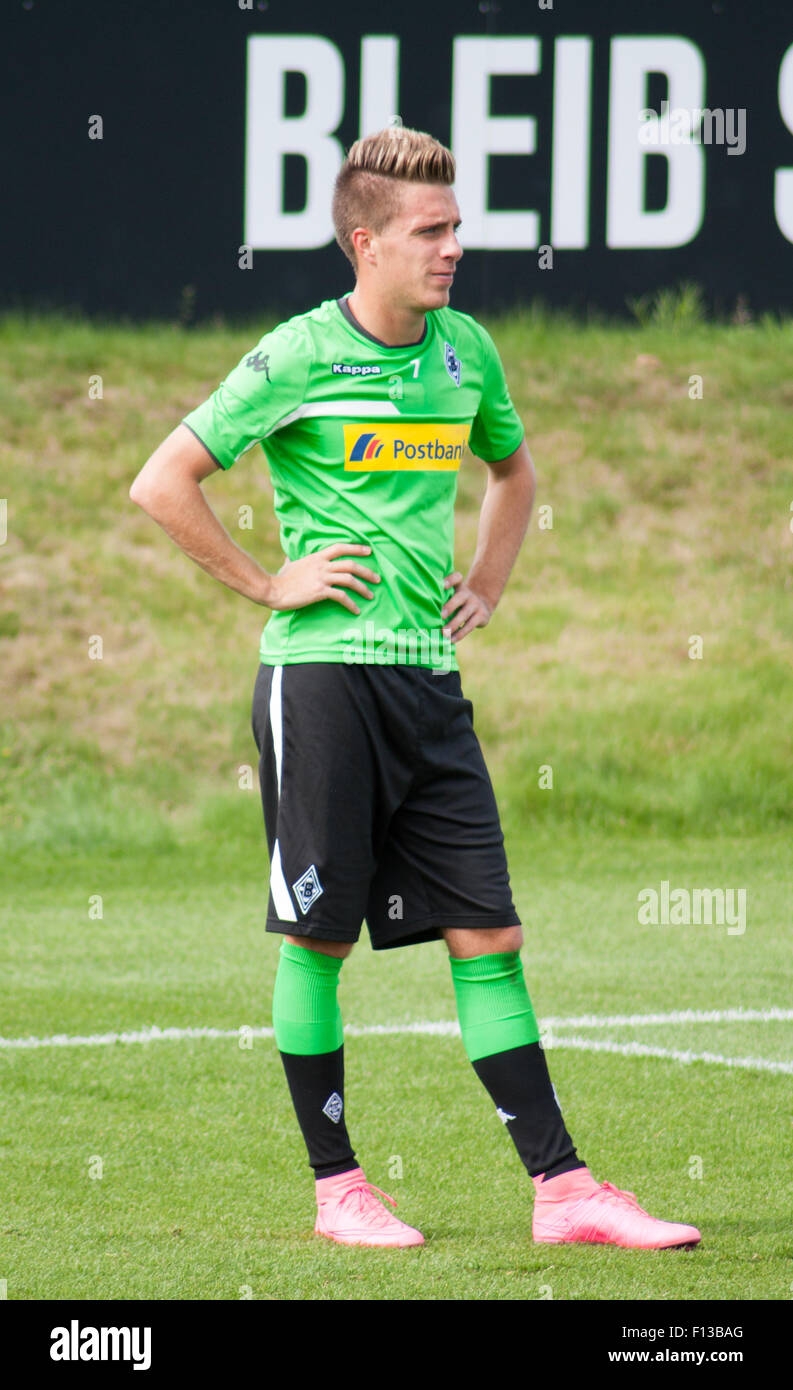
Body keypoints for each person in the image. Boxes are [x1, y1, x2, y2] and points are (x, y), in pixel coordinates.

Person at [129, 125, 701, 1253]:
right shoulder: (294, 354)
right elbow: (162, 481)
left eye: (456, 229)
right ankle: (338, 1187)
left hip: (428, 687)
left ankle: (563, 1189)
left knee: (488, 933)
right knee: (318, 942)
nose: (451, 250)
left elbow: (513, 468)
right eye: (429, 232)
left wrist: (485, 579)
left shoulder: (465, 352)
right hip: (323, 683)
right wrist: (266, 581)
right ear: (365, 243)